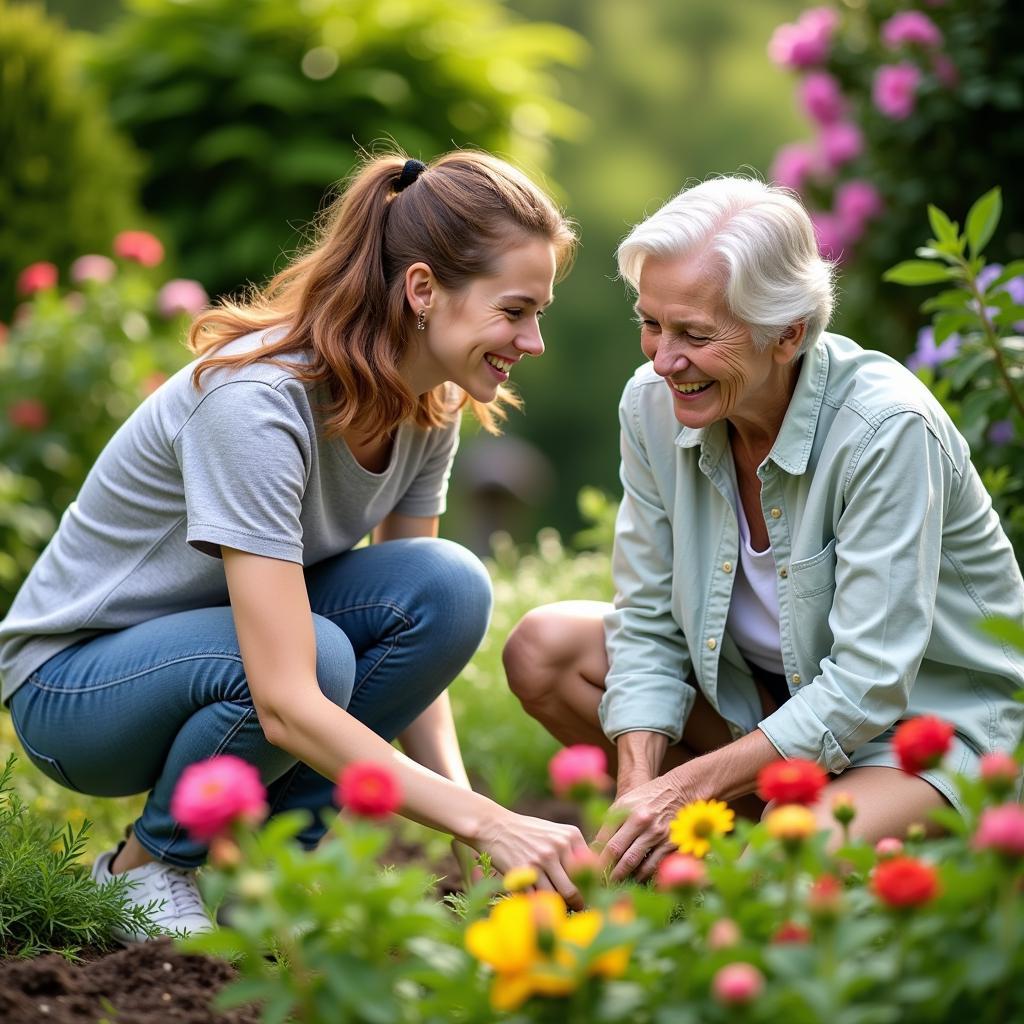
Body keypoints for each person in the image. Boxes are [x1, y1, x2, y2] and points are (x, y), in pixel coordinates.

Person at [0, 150, 590, 940]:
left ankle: (277, 873)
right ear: (422, 290)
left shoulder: (430, 402)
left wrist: (469, 832)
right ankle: (146, 867)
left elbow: (416, 632)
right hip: (75, 689)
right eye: (515, 310)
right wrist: (487, 818)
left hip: (232, 657)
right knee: (319, 659)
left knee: (448, 587)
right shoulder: (258, 404)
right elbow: (285, 698)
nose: (534, 340)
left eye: (538, 313)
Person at [503, 176, 1024, 882]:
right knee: (546, 650)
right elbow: (649, 620)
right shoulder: (652, 404)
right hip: (763, 715)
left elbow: (870, 685)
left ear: (788, 335)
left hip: (917, 738)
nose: (662, 360)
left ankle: (797, 852)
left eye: (694, 334)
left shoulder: (885, 429)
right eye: (652, 322)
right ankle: (710, 853)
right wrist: (638, 790)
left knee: (778, 881)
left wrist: (685, 788)